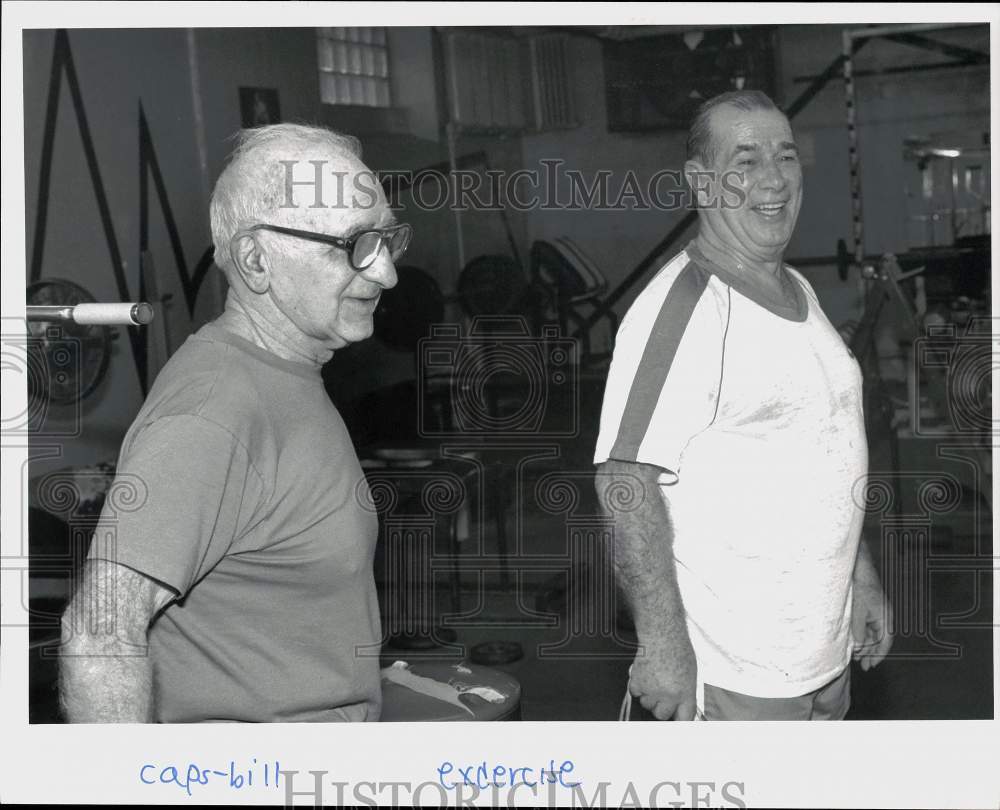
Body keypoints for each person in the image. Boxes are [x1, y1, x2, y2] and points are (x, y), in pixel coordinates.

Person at [59, 123, 408, 722]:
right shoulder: (213, 411)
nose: (386, 274)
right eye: (353, 246)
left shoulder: (286, 373)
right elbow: (99, 632)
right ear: (255, 260)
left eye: (386, 240)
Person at [594, 90, 893, 721]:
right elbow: (624, 480)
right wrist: (663, 645)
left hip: (822, 651)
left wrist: (860, 579)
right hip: (734, 669)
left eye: (785, 156)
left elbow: (826, 450)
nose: (774, 179)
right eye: (746, 160)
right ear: (700, 183)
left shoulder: (799, 289)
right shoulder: (681, 307)